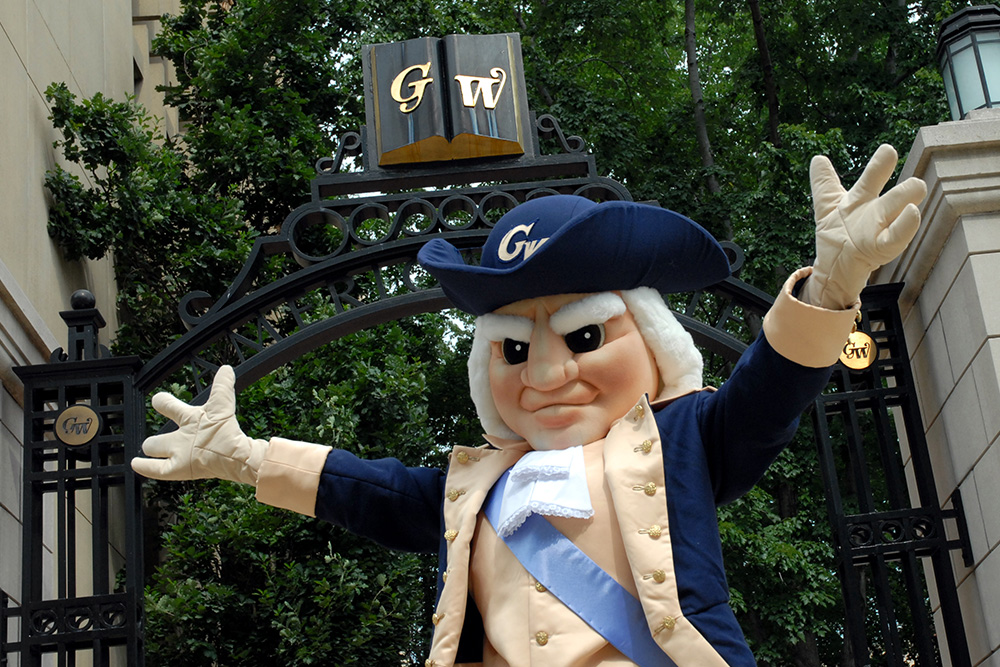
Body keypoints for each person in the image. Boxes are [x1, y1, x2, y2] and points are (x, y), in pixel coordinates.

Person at [133, 144, 926, 666]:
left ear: (650, 343)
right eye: (514, 347)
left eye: (583, 337)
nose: (545, 372)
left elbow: (767, 396)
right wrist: (245, 458)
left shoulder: (682, 437)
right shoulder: (471, 487)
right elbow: (365, 490)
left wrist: (830, 288)